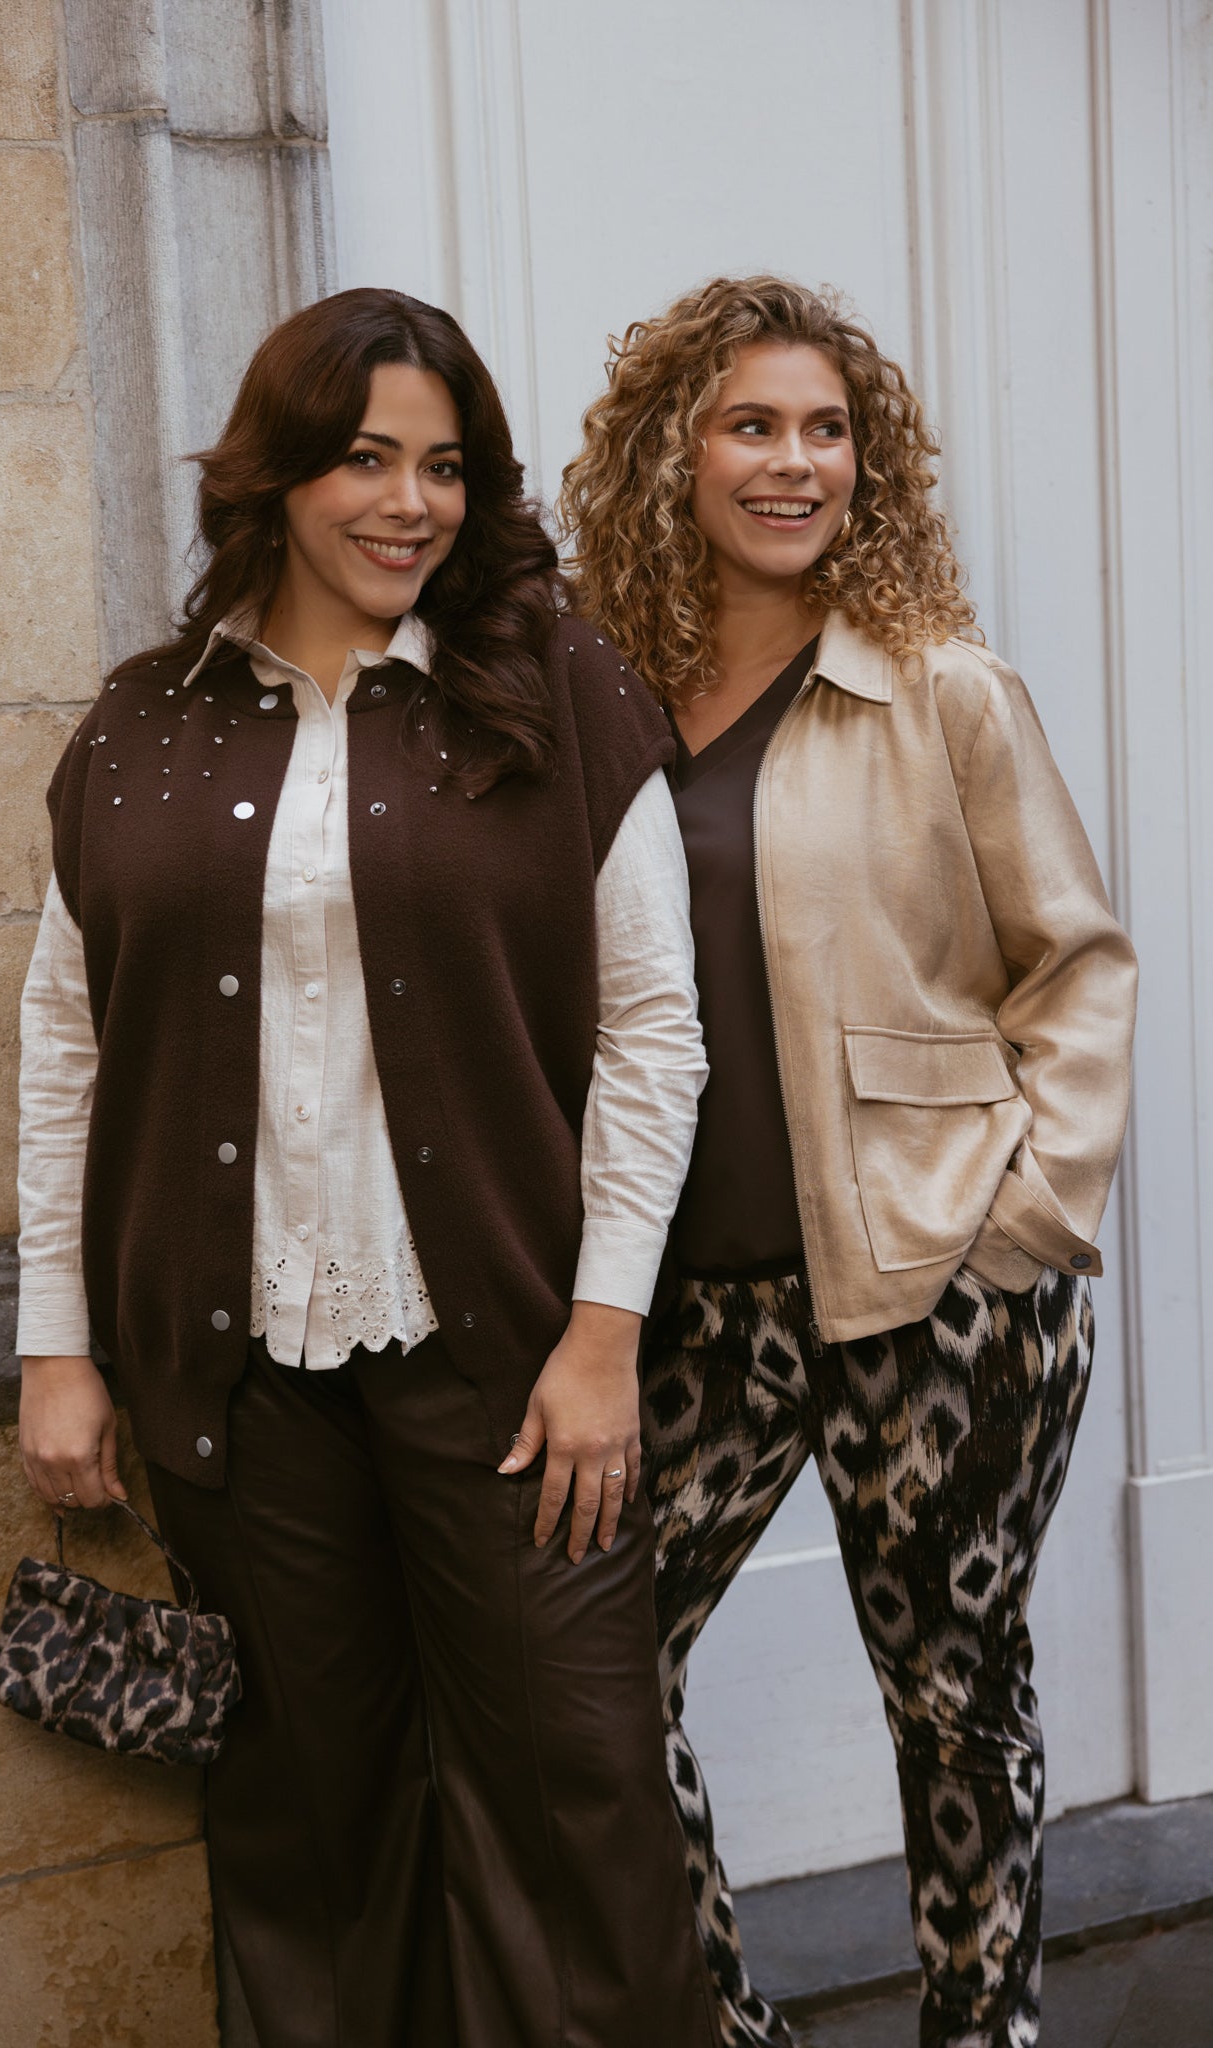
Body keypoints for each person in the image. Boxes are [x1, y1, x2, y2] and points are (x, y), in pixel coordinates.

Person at [15, 287, 721, 2048]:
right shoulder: (142, 725)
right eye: (365, 459)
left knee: (576, 1800)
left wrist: (601, 1335)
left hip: (510, 1367)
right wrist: (57, 1344)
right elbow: (68, 1047)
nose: (410, 503)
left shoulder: (560, 693)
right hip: (238, 1377)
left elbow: (657, 1031)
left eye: (445, 467)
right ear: (274, 477)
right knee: (308, 1824)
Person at [560, 274, 1138, 2048]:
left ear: (865, 467)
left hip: (935, 1290)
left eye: (827, 430)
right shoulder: (602, 702)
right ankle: (720, 2026)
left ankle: (984, 2029)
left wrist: (1022, 1222)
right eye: (750, 425)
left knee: (952, 1705)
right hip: (698, 1301)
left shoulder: (939, 689)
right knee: (585, 1667)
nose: (792, 462)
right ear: (673, 454)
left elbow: (1075, 966)